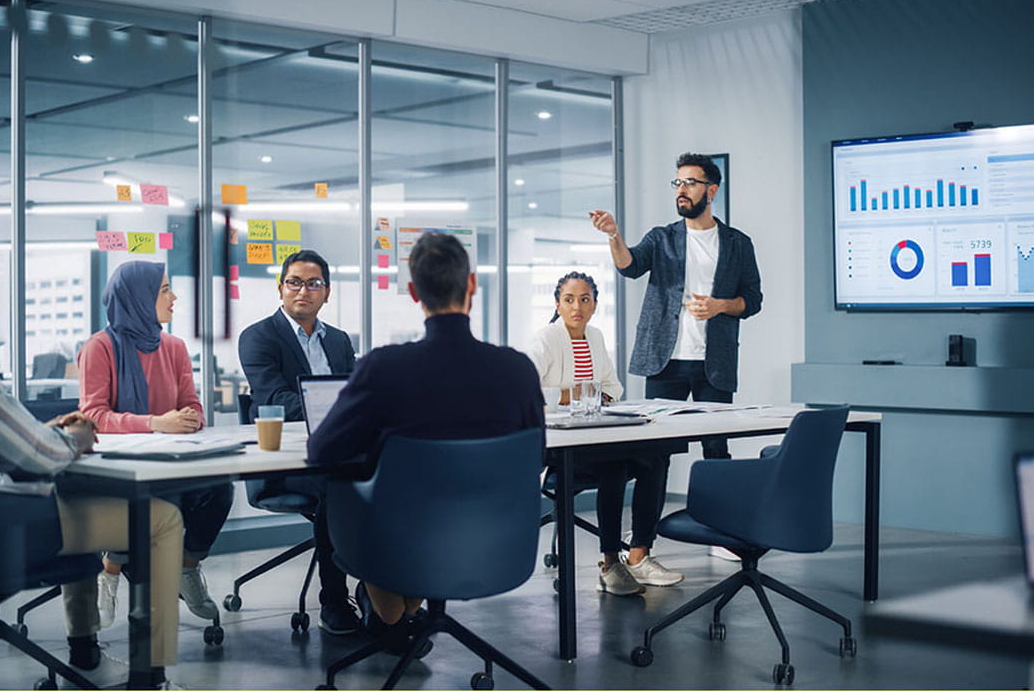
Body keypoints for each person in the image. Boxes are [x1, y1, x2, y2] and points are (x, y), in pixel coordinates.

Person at [0, 234, 183, 689]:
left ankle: (85, 653)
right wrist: (75, 437)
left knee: (81, 492)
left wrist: (45, 434)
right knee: (161, 519)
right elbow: (39, 456)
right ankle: (152, 676)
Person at [308, 232, 544, 649]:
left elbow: (322, 451)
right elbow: (535, 456)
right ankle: (401, 613)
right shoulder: (518, 371)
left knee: (348, 490)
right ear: (471, 284)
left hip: (402, 543)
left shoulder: (385, 368)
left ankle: (391, 613)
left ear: (415, 292)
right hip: (497, 542)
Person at [78, 260, 233, 628]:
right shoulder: (98, 348)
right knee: (149, 499)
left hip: (172, 460)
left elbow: (191, 403)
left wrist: (191, 417)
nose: (174, 297)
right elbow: (93, 417)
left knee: (221, 489)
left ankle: (187, 567)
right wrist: (155, 423)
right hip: (119, 468)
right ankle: (110, 571)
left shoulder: (174, 347)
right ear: (137, 298)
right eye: (164, 290)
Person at [590, 151, 762, 461]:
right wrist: (614, 235)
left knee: (716, 447)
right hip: (664, 361)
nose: (681, 190)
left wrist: (720, 306)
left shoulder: (738, 243)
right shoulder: (661, 238)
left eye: (690, 183)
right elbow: (630, 266)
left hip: (715, 365)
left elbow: (753, 300)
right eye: (678, 183)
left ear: (711, 190)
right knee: (653, 453)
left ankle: (719, 511)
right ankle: (648, 514)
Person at [527, 272, 682, 595]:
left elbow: (613, 387)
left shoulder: (594, 337)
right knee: (615, 465)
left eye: (585, 299)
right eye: (569, 299)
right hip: (559, 446)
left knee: (656, 457)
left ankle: (639, 554)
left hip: (596, 433)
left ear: (595, 305)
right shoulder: (546, 339)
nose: (577, 307)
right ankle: (611, 563)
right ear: (558, 304)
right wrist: (577, 394)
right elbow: (525, 390)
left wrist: (590, 394)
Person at [237, 249, 359, 635]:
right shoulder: (258, 337)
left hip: (339, 451)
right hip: (286, 464)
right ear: (281, 289)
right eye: (294, 282)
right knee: (337, 484)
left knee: (389, 473)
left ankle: (384, 594)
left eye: (313, 283)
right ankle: (335, 600)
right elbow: (275, 399)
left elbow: (358, 394)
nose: (302, 291)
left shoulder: (338, 341)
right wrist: (340, 409)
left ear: (327, 293)